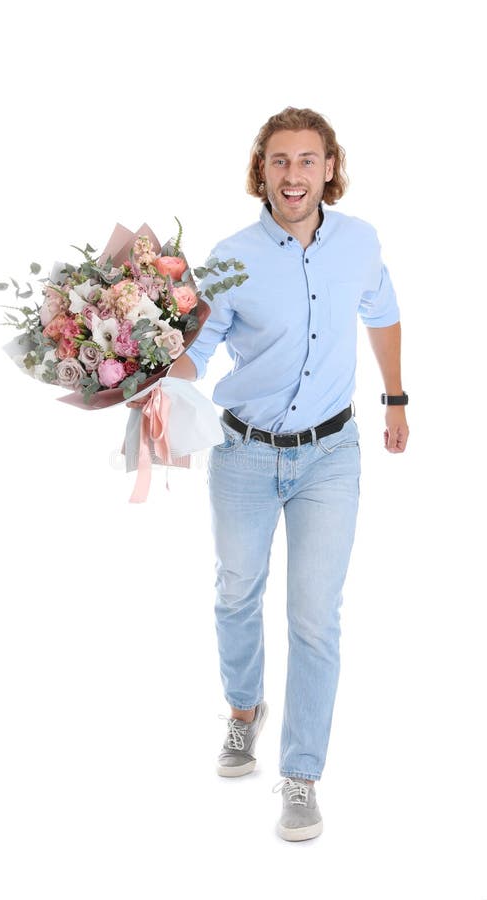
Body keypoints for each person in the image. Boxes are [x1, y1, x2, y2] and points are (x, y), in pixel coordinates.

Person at [128, 106, 409, 842]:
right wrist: (143, 373)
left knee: (316, 618)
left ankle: (302, 774)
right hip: (246, 455)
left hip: (331, 457)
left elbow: (383, 312)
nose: (294, 174)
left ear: (328, 168)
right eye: (279, 161)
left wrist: (397, 397)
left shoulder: (362, 243)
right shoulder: (228, 257)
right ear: (263, 170)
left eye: (307, 160)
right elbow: (200, 348)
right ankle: (243, 712)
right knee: (236, 592)